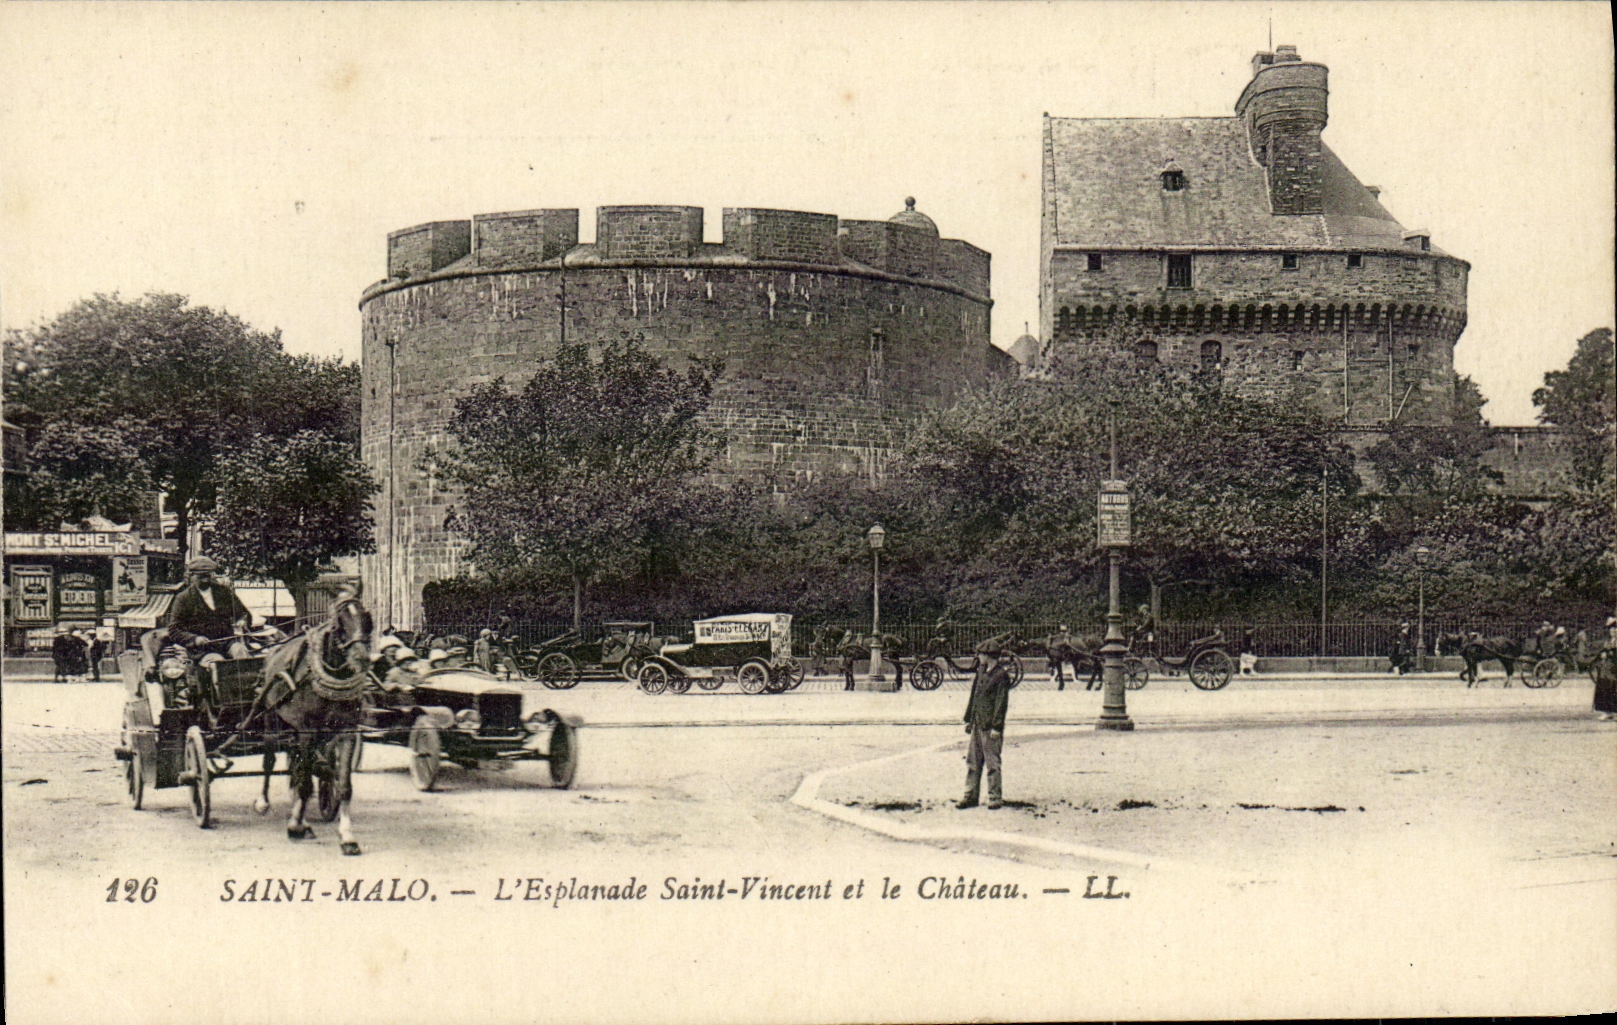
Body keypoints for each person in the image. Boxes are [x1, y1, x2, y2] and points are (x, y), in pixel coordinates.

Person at [163, 556, 252, 660]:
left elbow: (243, 613)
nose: (205, 580)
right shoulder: (183, 598)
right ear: (191, 576)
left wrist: (242, 620)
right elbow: (174, 630)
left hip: (227, 643)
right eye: (201, 576)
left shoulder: (224, 592)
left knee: (241, 652)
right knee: (216, 662)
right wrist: (195, 639)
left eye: (208, 575)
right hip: (202, 650)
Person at [958, 650, 1014, 810]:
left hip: (990, 726)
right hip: (977, 723)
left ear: (989, 656)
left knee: (992, 763)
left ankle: (994, 797)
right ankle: (970, 796)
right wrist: (969, 718)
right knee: (972, 762)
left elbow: (1000, 703)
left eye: (981, 654)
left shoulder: (1001, 676)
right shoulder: (981, 671)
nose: (979, 657)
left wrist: (997, 726)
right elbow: (974, 696)